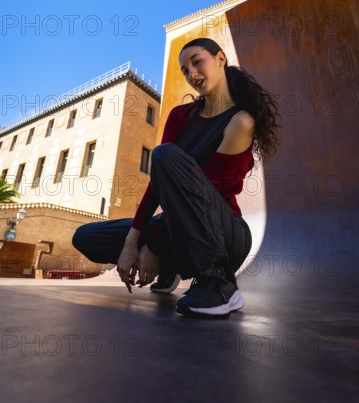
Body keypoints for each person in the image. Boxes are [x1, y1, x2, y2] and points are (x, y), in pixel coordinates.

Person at [72, 37, 280, 318]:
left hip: (224, 234)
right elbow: (157, 187)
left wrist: (153, 245)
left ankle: (219, 284)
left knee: (163, 154)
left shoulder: (240, 122)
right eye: (184, 70)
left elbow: (207, 199)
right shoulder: (181, 116)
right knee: (86, 236)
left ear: (220, 59)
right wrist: (132, 244)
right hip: (177, 225)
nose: (191, 74)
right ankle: (171, 267)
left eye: (197, 62)